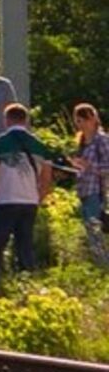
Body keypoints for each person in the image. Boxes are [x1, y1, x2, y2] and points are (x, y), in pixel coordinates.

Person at [0, 104, 57, 295]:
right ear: (26, 120)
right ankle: (29, 291)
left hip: (3, 201)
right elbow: (46, 179)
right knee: (25, 249)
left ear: (6, 120)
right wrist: (38, 198)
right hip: (29, 202)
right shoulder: (39, 145)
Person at [73, 104, 109, 266]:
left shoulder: (102, 140)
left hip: (97, 191)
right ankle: (99, 264)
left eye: (83, 120)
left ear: (93, 119)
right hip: (84, 191)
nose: (81, 124)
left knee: (96, 230)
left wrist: (88, 166)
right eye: (78, 121)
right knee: (91, 230)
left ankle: (103, 265)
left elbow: (107, 168)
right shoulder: (82, 142)